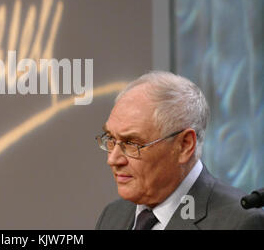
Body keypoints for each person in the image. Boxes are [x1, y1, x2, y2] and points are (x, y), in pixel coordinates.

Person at [95, 71, 264, 230]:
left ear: (184, 145)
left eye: (131, 143)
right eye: (110, 139)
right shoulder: (113, 216)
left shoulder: (240, 222)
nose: (113, 159)